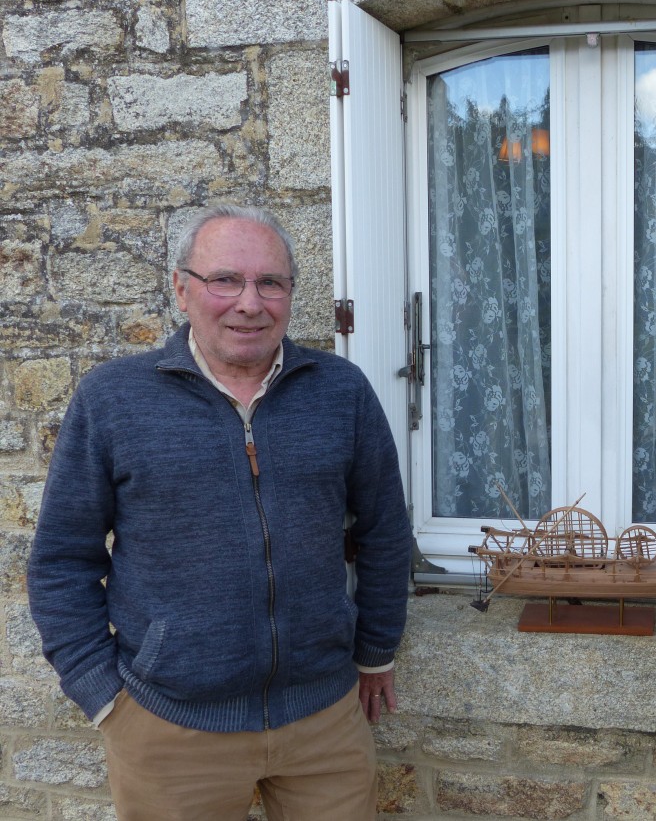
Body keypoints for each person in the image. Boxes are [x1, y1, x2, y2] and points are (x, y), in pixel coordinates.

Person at [28, 203, 412, 820]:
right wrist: (100, 693)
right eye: (225, 280)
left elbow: (385, 531)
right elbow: (61, 560)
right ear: (182, 289)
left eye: (270, 282)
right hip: (170, 730)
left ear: (290, 293)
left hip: (325, 723)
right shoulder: (113, 399)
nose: (250, 303)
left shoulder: (341, 391)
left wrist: (376, 650)